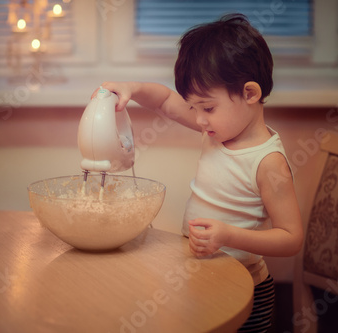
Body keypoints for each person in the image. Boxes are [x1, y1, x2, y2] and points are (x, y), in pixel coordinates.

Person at [97, 13, 304, 332]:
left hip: (245, 289)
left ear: (250, 94)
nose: (200, 120)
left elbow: (291, 238)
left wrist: (227, 235)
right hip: (201, 277)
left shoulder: (267, 161)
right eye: (194, 108)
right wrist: (132, 87)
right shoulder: (217, 129)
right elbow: (165, 100)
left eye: (207, 108)